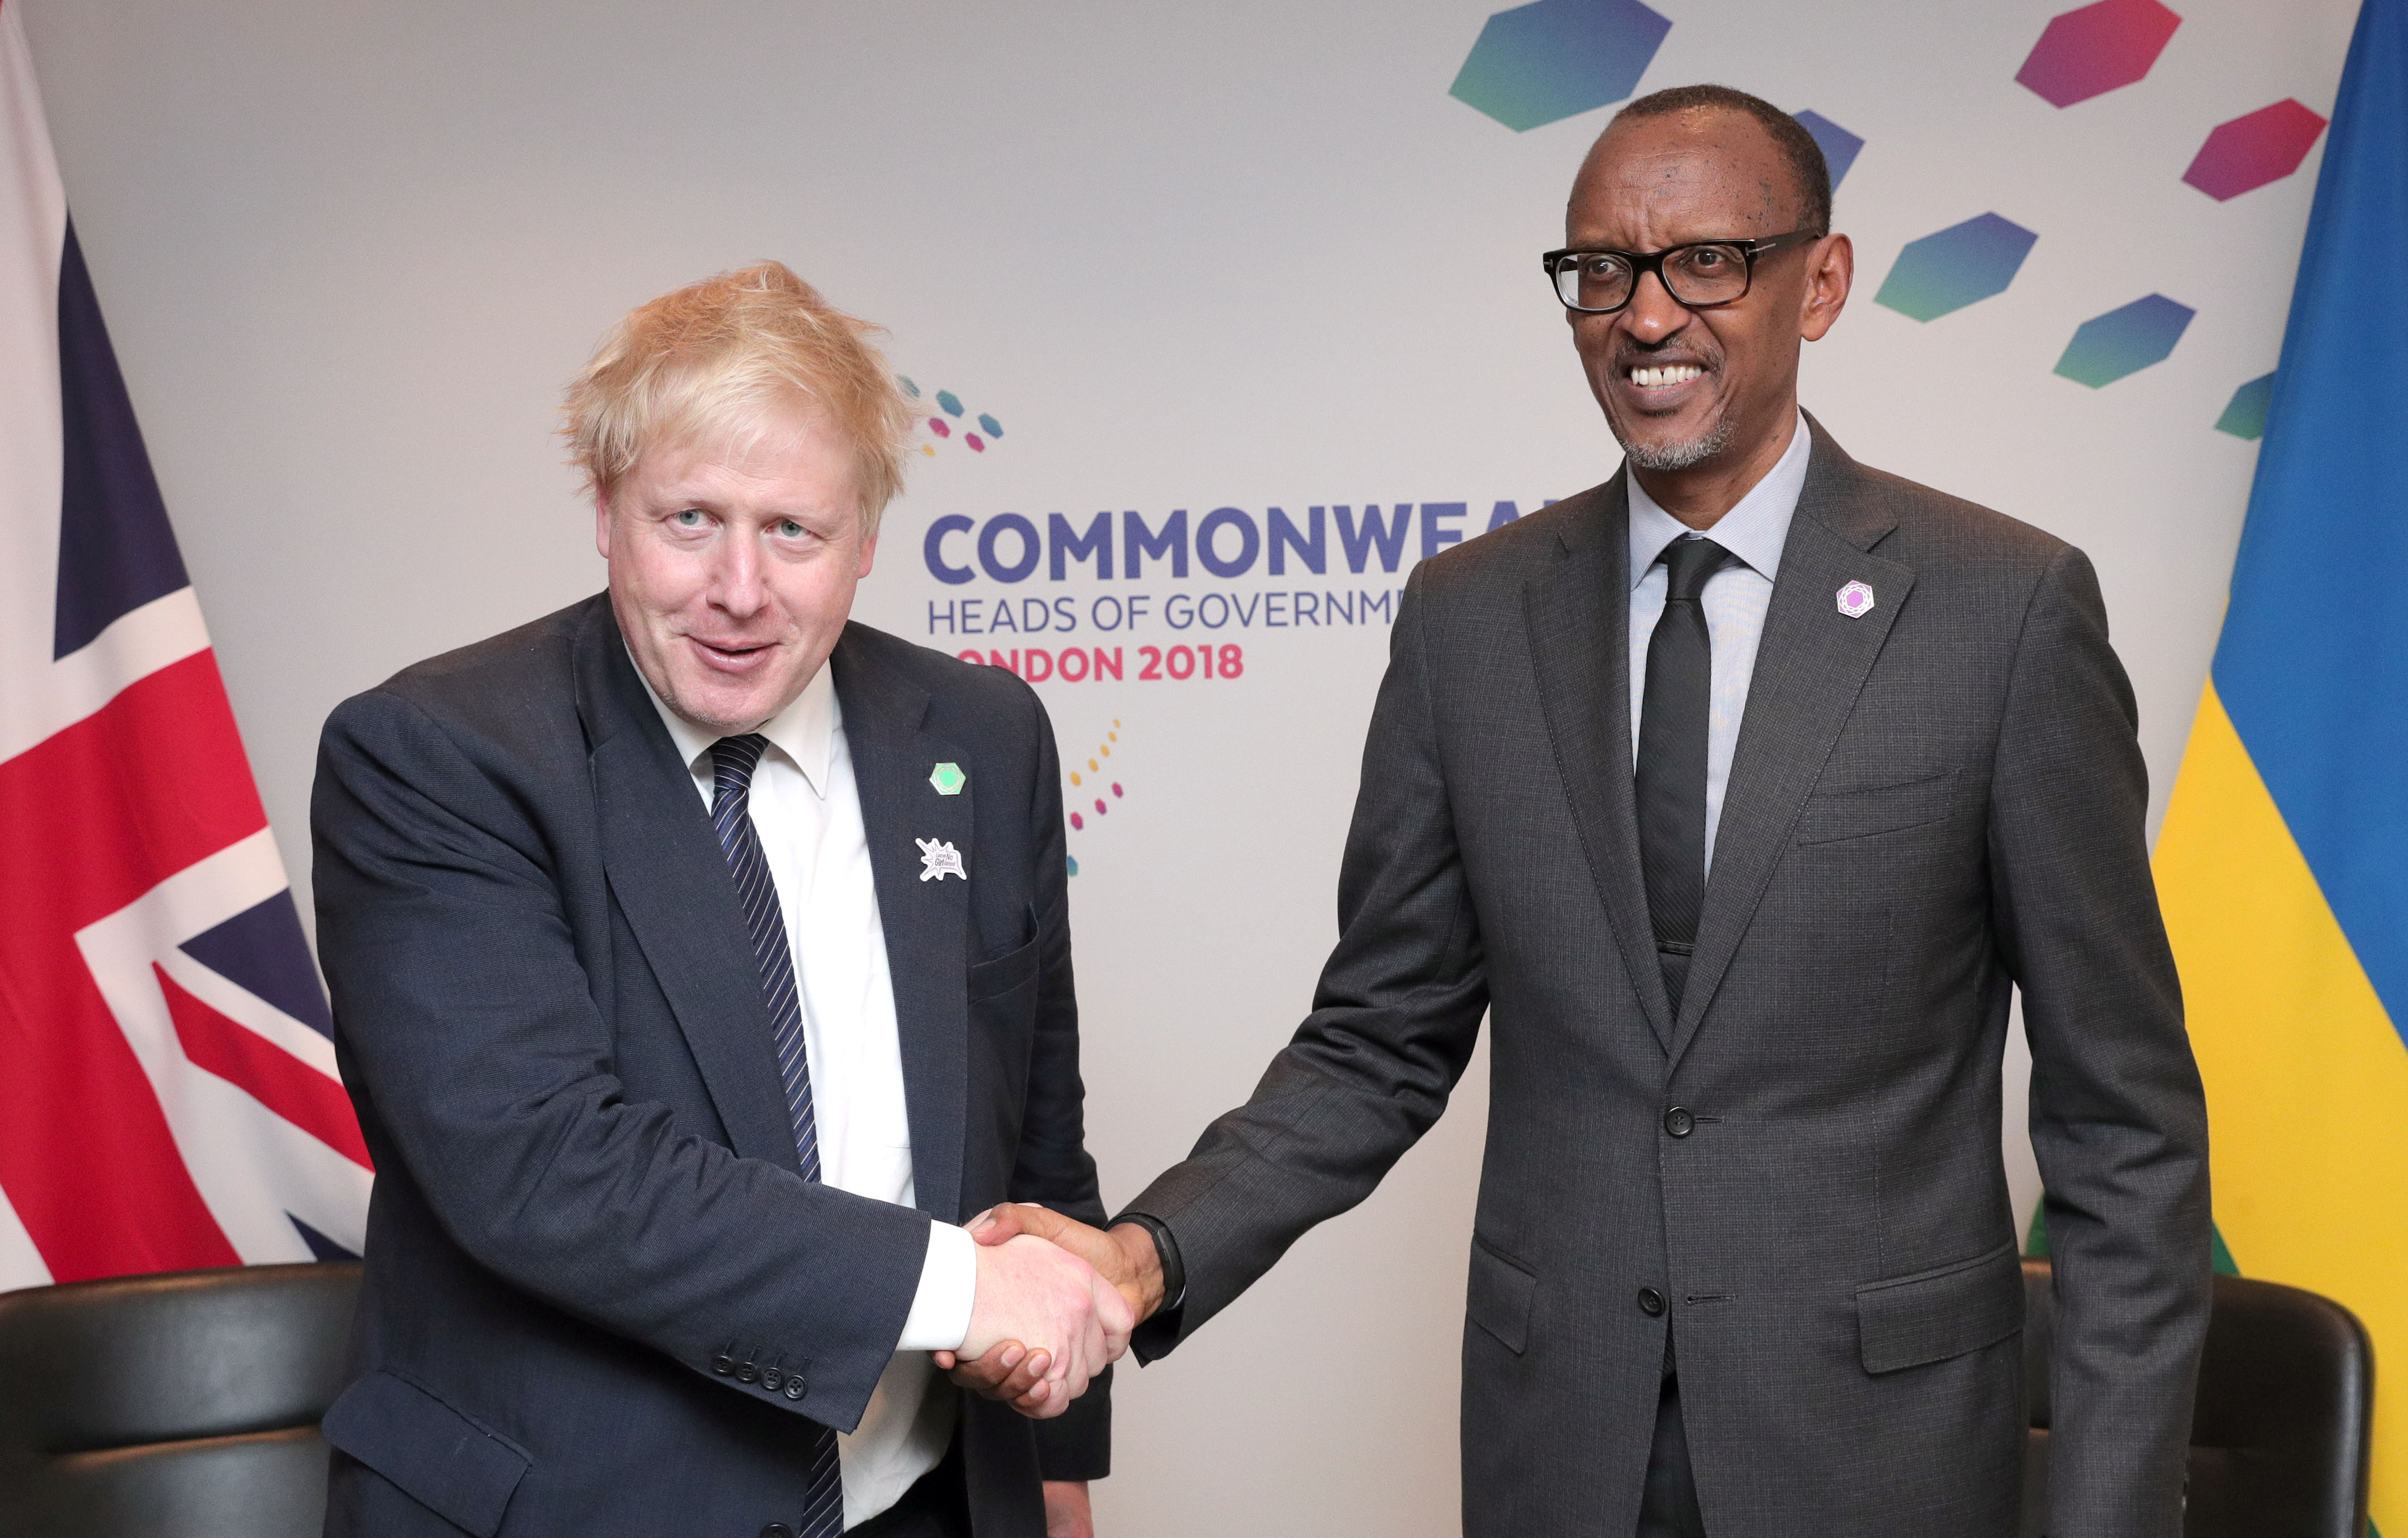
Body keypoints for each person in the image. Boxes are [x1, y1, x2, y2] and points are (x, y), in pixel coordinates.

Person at [975, 86, 2213, 1536]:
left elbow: (2123, 1127)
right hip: (1559, 1445)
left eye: (1707, 261)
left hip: (1879, 1456)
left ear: (1819, 282)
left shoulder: (2000, 610)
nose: (1645, 315)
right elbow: (1377, 1039)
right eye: (1602, 270)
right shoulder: (1468, 618)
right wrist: (1142, 1257)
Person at [311, 262, 1127, 1538]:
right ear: (605, 510)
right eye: (690, 519)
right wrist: (962, 1290)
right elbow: (543, 1164)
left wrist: (1057, 1459)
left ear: (867, 539)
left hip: (924, 1500)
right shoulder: (436, 753)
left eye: (794, 530)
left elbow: (1034, 1131)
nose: (740, 590)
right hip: (573, 1511)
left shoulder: (982, 733)